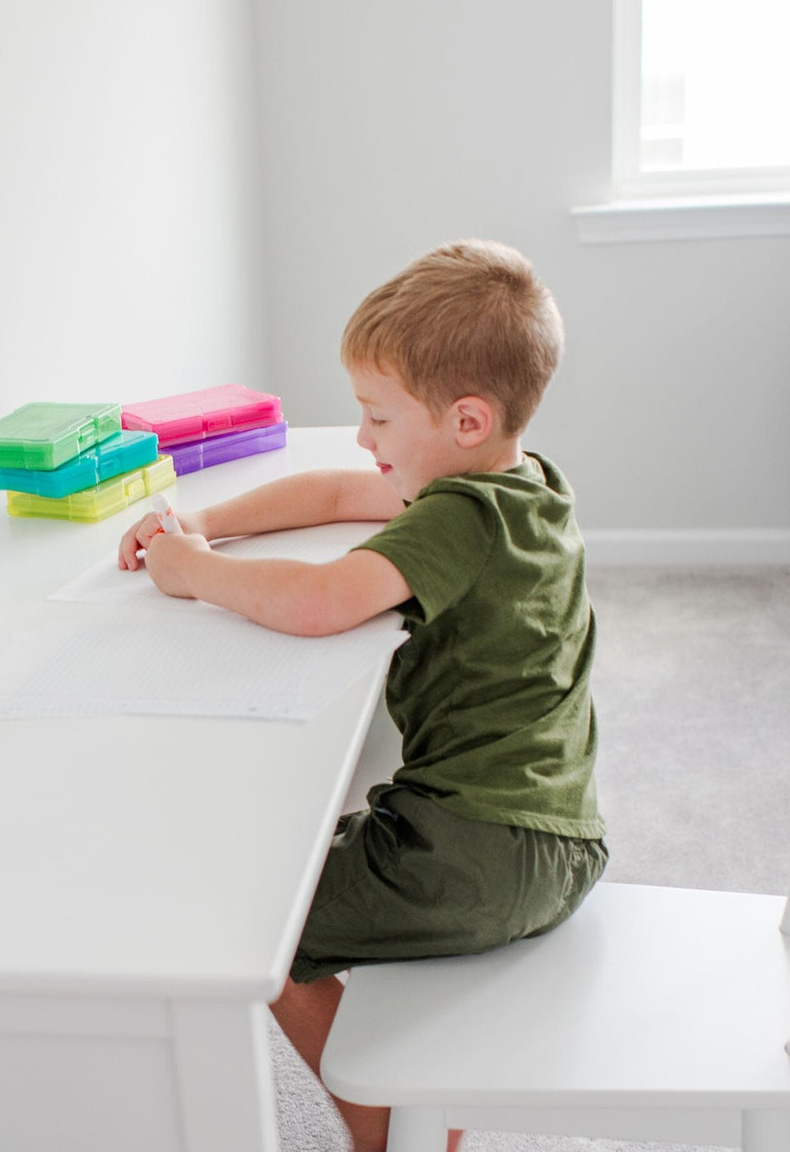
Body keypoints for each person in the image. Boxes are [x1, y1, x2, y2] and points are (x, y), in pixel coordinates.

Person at [117, 240, 608, 1152]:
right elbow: (346, 492)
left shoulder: (461, 515)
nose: (363, 440)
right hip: (554, 831)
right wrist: (206, 522)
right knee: (299, 850)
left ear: (465, 421)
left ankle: (382, 1129)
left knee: (257, 921)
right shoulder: (520, 485)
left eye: (378, 419)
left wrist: (191, 573)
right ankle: (408, 1099)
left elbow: (318, 603)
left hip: (484, 851)